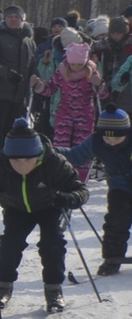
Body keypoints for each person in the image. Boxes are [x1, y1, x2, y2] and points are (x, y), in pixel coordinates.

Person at [0, 117, 88, 311]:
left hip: (51, 206)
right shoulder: (0, 163)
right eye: (16, 160)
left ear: (38, 155)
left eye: (28, 160)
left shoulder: (54, 162)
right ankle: (2, 287)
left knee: (52, 243)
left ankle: (53, 290)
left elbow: (80, 190)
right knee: (10, 245)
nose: (22, 165)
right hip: (16, 208)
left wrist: (68, 198)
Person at [63, 108, 131, 274]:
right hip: (120, 187)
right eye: (107, 137)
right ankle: (112, 259)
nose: (112, 141)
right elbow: (74, 156)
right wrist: (51, 152)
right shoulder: (96, 141)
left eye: (117, 137)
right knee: (115, 222)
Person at [0, 6, 35, 135]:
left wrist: (35, 77)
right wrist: (7, 73)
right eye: (10, 17)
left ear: (22, 19)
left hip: (18, 96)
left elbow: (31, 64)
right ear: (5, 19)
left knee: (11, 135)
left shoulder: (27, 40)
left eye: (17, 17)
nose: (13, 20)